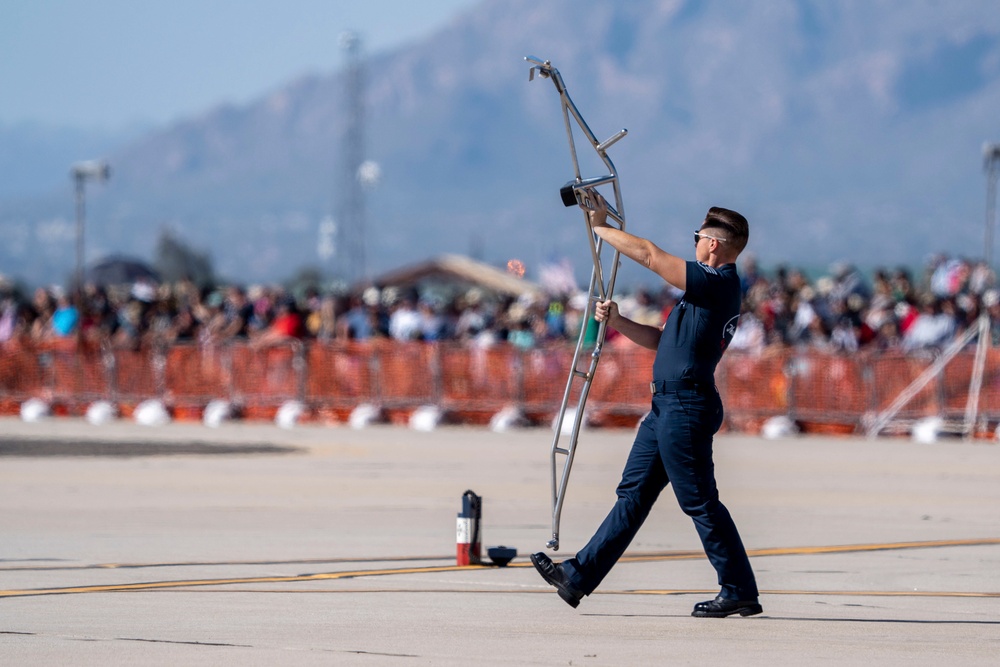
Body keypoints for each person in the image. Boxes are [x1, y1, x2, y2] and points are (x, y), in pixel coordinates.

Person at [531, 190, 762, 618]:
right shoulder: (703, 295)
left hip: (686, 406)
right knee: (633, 494)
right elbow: (662, 342)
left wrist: (600, 228)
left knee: (699, 500)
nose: (692, 244)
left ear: (713, 243)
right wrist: (619, 322)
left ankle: (738, 588)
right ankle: (578, 576)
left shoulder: (718, 283)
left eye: (697, 237)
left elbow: (652, 256)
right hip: (666, 408)